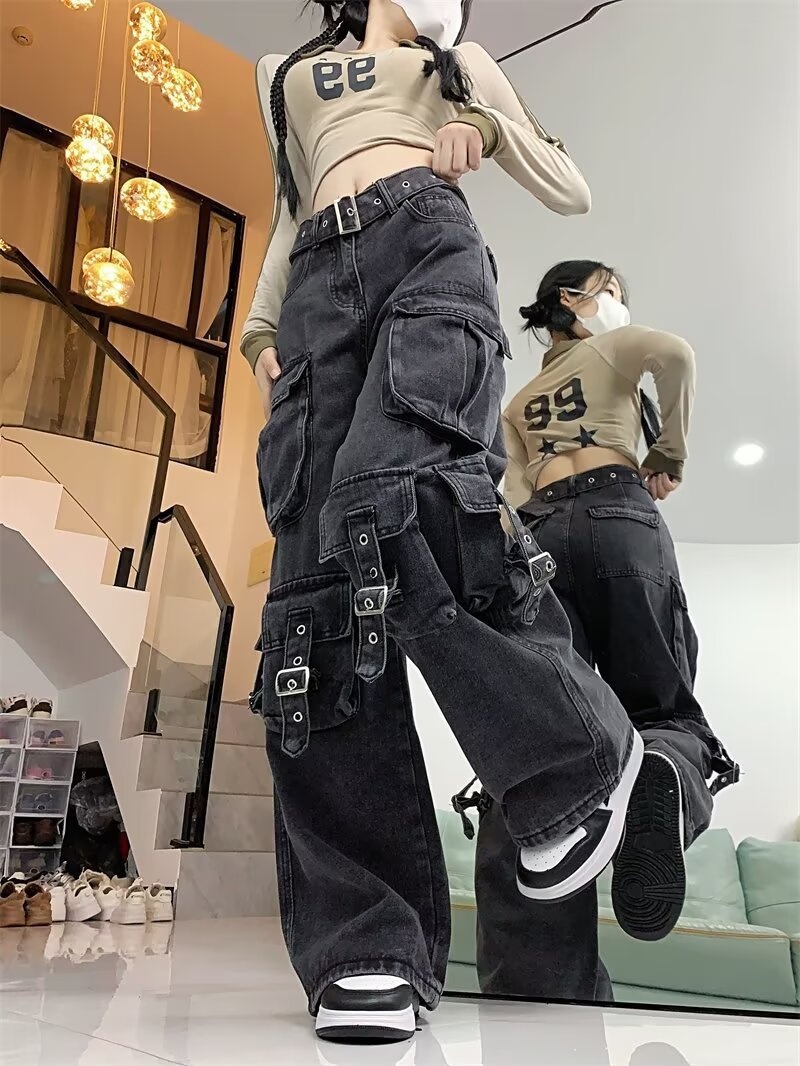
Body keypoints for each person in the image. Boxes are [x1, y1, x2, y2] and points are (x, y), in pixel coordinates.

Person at [244, 3, 644, 1043]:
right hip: (314, 289)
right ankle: (365, 942)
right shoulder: (281, 71)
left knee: (404, 495)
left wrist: (487, 128)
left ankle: (570, 757)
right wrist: (258, 324)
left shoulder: (456, 60)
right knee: (312, 586)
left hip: (427, 240)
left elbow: (569, 184)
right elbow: (288, 204)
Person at [471, 260, 738, 1000]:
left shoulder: (516, 403)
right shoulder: (611, 348)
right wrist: (669, 451)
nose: (618, 303)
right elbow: (675, 354)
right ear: (573, 299)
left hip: (537, 540)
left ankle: (532, 989)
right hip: (618, 510)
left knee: (539, 742)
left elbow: (508, 496)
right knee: (659, 705)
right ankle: (665, 777)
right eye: (611, 291)